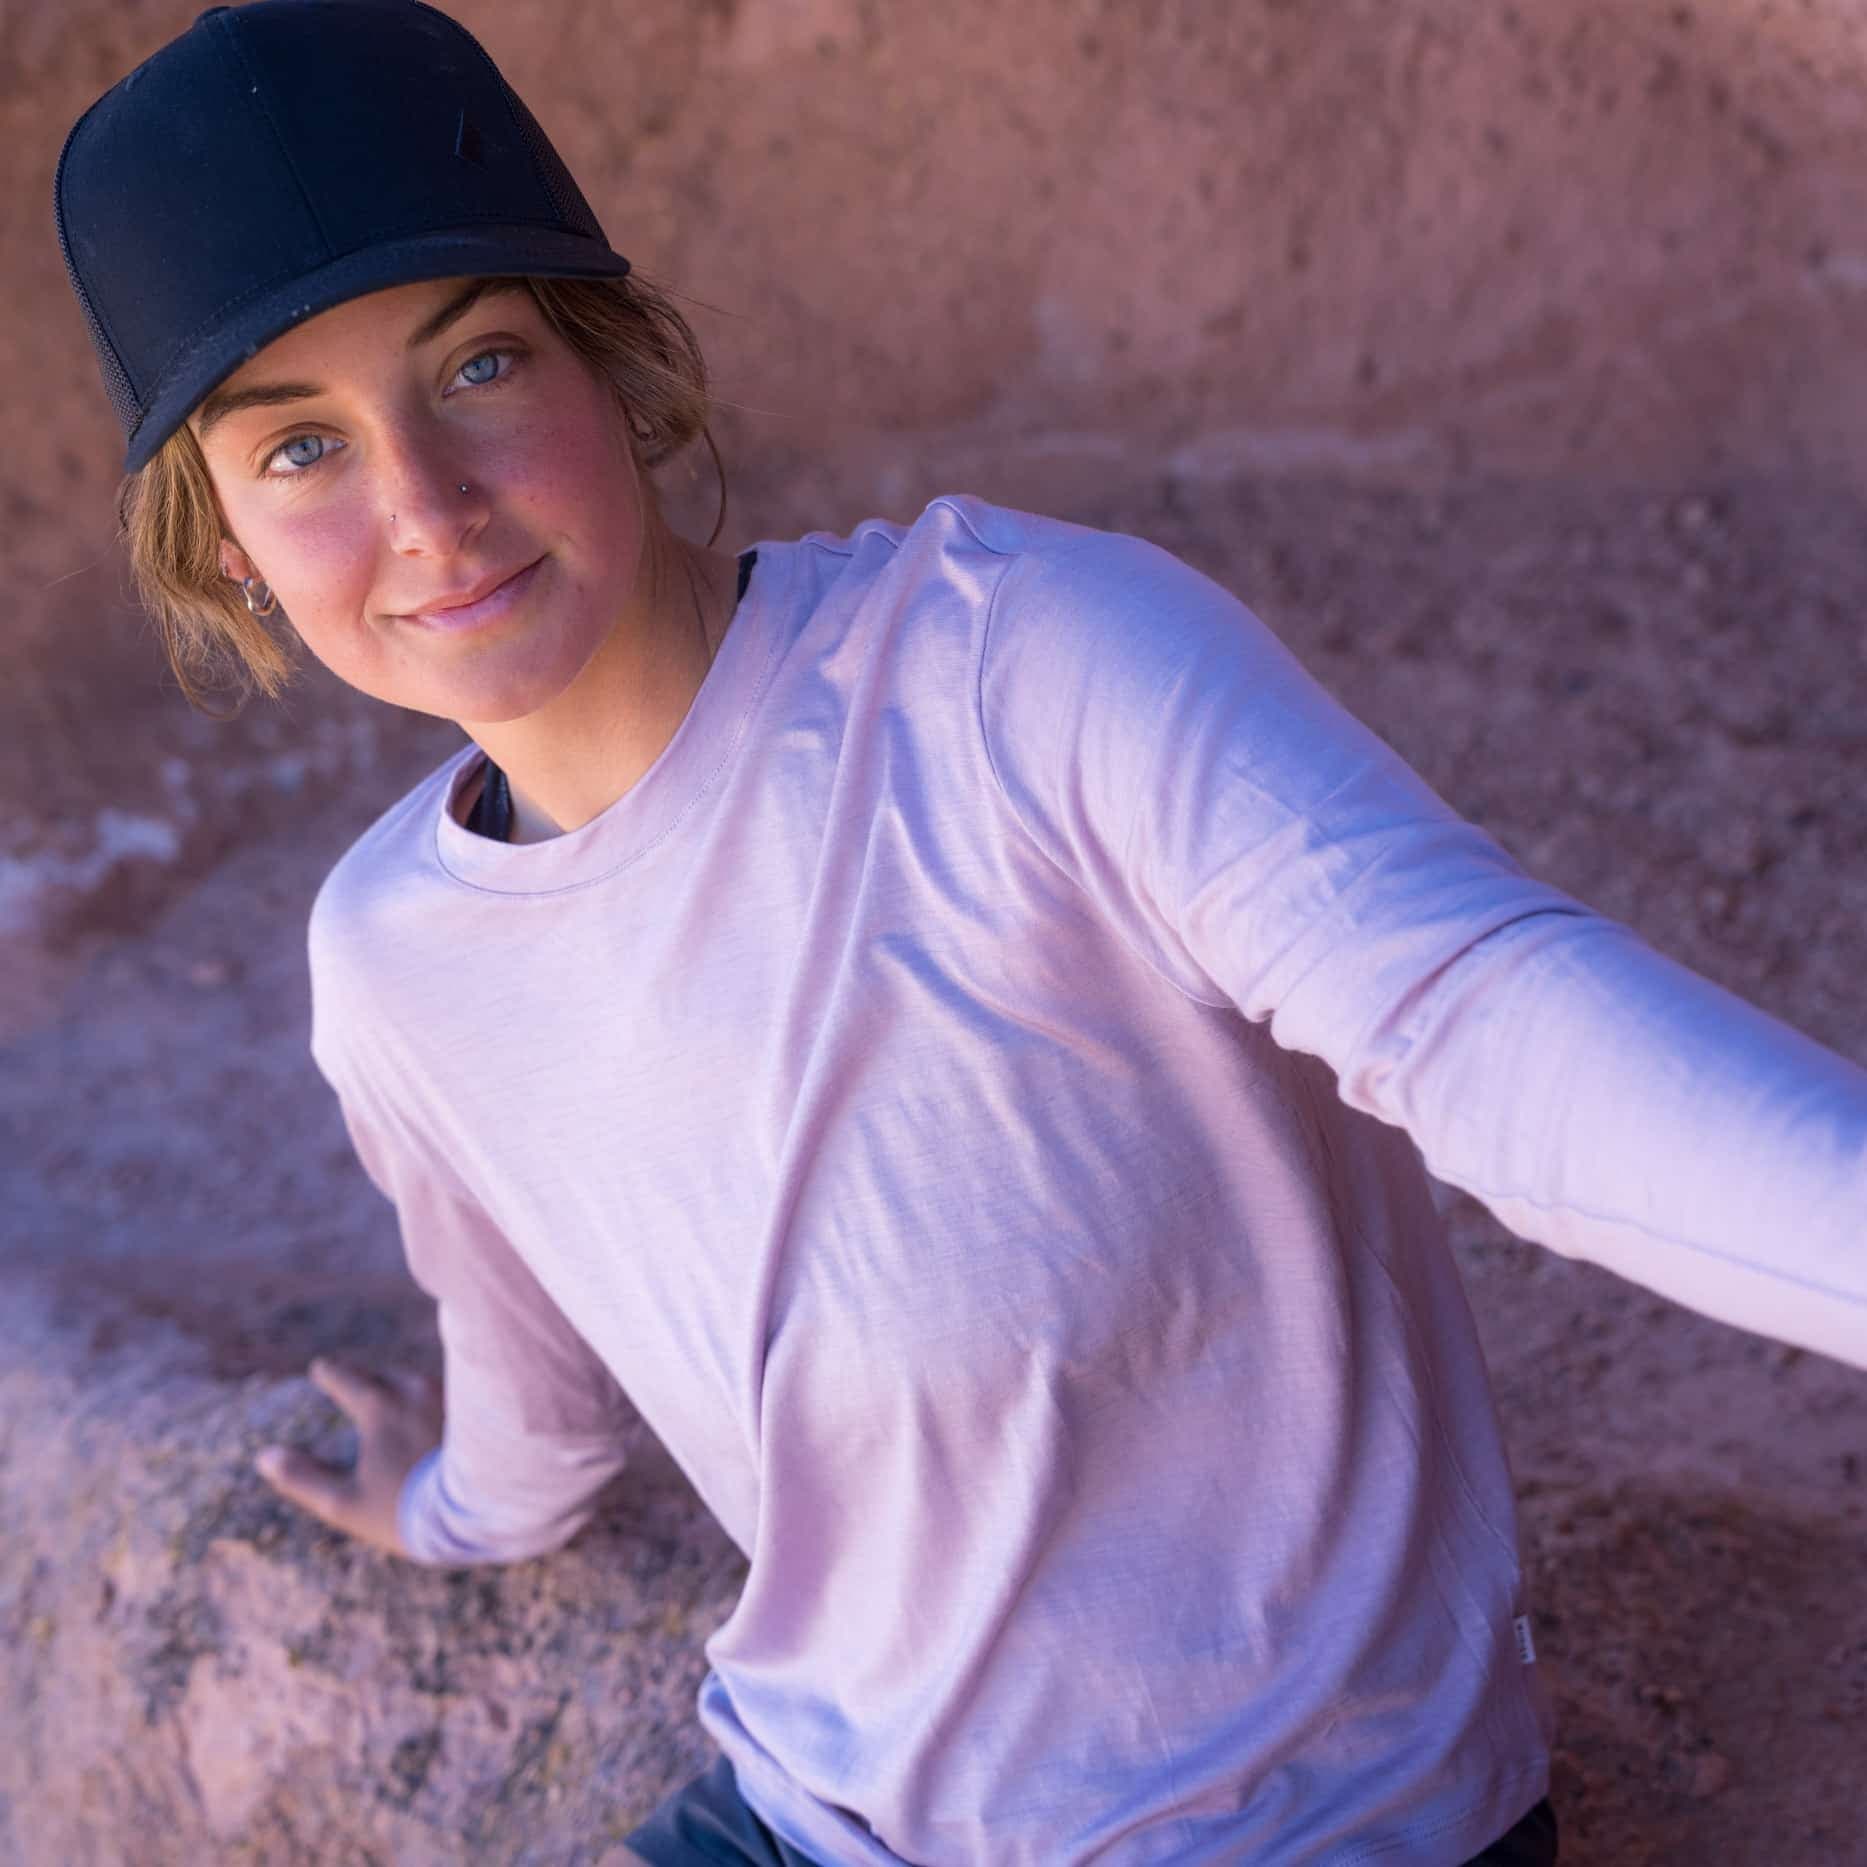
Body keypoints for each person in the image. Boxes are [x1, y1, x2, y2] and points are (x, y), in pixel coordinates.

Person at [54, 4, 1863, 1864]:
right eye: (300, 450)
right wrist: (448, 1512)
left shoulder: (1023, 667)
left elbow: (1481, 1022)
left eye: (482, 363)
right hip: (812, 1813)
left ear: (617, 367)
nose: (427, 511)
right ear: (225, 551)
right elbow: (535, 1385)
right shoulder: (390, 960)